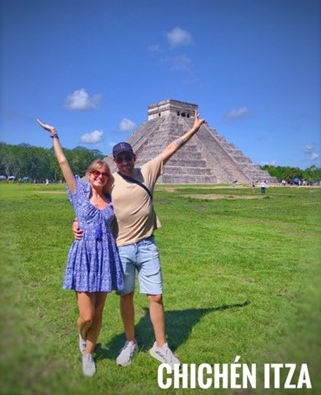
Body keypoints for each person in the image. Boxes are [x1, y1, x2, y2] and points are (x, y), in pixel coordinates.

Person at [73, 111, 205, 368]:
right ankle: (130, 342)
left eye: (127, 157)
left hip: (147, 244)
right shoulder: (109, 181)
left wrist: (193, 130)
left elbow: (170, 148)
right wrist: (76, 223)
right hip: (121, 247)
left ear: (135, 157)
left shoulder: (148, 170)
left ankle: (160, 346)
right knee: (126, 297)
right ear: (115, 161)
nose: (124, 162)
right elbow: (89, 203)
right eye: (120, 159)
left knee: (155, 296)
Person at [37, 119, 124, 377]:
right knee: (86, 315)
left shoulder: (110, 198)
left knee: (99, 313)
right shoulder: (78, 194)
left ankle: (88, 354)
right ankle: (81, 334)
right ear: (88, 175)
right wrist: (55, 136)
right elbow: (63, 163)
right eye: (95, 172)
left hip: (106, 256)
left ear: (107, 178)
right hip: (84, 256)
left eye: (104, 174)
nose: (99, 176)